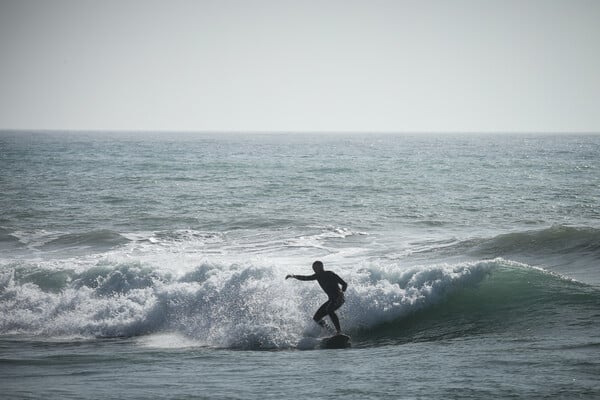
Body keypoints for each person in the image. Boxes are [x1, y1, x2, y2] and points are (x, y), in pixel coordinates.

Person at [286, 260, 348, 335]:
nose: (314, 270)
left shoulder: (330, 274)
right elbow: (306, 278)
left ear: (321, 267)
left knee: (329, 310)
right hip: (332, 300)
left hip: (339, 298)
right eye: (313, 268)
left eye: (316, 268)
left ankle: (339, 331)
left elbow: (344, 284)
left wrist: (341, 292)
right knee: (316, 318)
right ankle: (332, 332)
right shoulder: (317, 276)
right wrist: (294, 276)